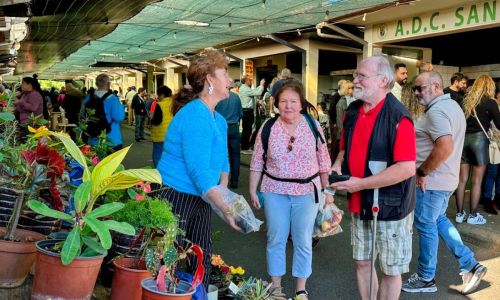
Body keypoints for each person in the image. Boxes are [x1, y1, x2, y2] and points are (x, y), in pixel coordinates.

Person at [330, 55, 416, 300]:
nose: (355, 80)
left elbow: (406, 168)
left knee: (390, 270)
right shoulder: (352, 111)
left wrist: (361, 184)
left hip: (391, 206)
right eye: (356, 75)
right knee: (362, 263)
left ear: (383, 81)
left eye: (361, 76)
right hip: (360, 203)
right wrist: (337, 166)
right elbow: (345, 150)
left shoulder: (399, 117)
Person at [154, 49, 239, 288]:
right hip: (176, 195)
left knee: (201, 255)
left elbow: (222, 162)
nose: (230, 79)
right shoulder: (194, 116)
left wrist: (223, 194)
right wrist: (225, 209)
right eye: (225, 73)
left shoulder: (218, 119)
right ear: (210, 79)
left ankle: (197, 294)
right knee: (168, 257)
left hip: (203, 197)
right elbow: (198, 171)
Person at [401, 71, 487, 295]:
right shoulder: (452, 107)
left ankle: (426, 277)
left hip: (431, 182)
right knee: (437, 220)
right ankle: (470, 264)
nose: (417, 93)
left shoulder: (438, 111)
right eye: (415, 89)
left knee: (426, 226)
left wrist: (422, 172)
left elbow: (445, 147)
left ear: (437, 86)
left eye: (421, 88)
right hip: (445, 180)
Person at [249, 80, 331, 300]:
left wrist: (328, 194)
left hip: (307, 192)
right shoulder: (268, 127)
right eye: (283, 101)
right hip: (274, 190)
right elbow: (257, 161)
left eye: (293, 101)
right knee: (275, 238)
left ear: (301, 104)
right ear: (276, 103)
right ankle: (276, 287)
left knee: (303, 239)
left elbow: (324, 161)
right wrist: (252, 190)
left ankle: (300, 288)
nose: (288, 106)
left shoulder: (313, 125)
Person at [455, 75, 500, 225]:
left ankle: (460, 214)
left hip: (463, 140)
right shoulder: (490, 103)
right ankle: (473, 216)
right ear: (489, 86)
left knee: (461, 181)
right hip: (480, 141)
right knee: (476, 181)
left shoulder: (466, 101)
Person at [83, 74, 125, 150]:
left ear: (96, 84)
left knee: (96, 161)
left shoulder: (89, 98)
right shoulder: (113, 99)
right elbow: (118, 118)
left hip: (94, 138)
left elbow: (83, 115)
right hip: (112, 139)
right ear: (108, 84)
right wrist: (122, 107)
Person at [215, 86, 243, 188]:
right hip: (234, 128)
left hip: (220, 129)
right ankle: (234, 181)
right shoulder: (236, 97)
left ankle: (219, 181)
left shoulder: (217, 97)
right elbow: (241, 113)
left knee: (219, 155)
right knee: (235, 156)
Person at [481, 86, 500, 213]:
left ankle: (497, 199)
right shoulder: (493, 105)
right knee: (492, 172)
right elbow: (493, 127)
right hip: (494, 144)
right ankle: (487, 199)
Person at [239, 75, 265, 153]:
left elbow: (254, 91)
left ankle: (245, 146)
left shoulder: (245, 89)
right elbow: (258, 92)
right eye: (249, 80)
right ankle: (245, 147)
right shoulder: (245, 89)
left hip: (246, 111)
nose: (251, 81)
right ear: (246, 81)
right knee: (247, 130)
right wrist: (261, 85)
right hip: (247, 111)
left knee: (247, 129)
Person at [150, 85, 173, 167]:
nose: (158, 97)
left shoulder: (159, 105)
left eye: (159, 95)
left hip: (160, 136)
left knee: (157, 157)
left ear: (162, 95)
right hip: (172, 135)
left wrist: (151, 120)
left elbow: (156, 121)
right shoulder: (175, 103)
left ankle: (160, 175)